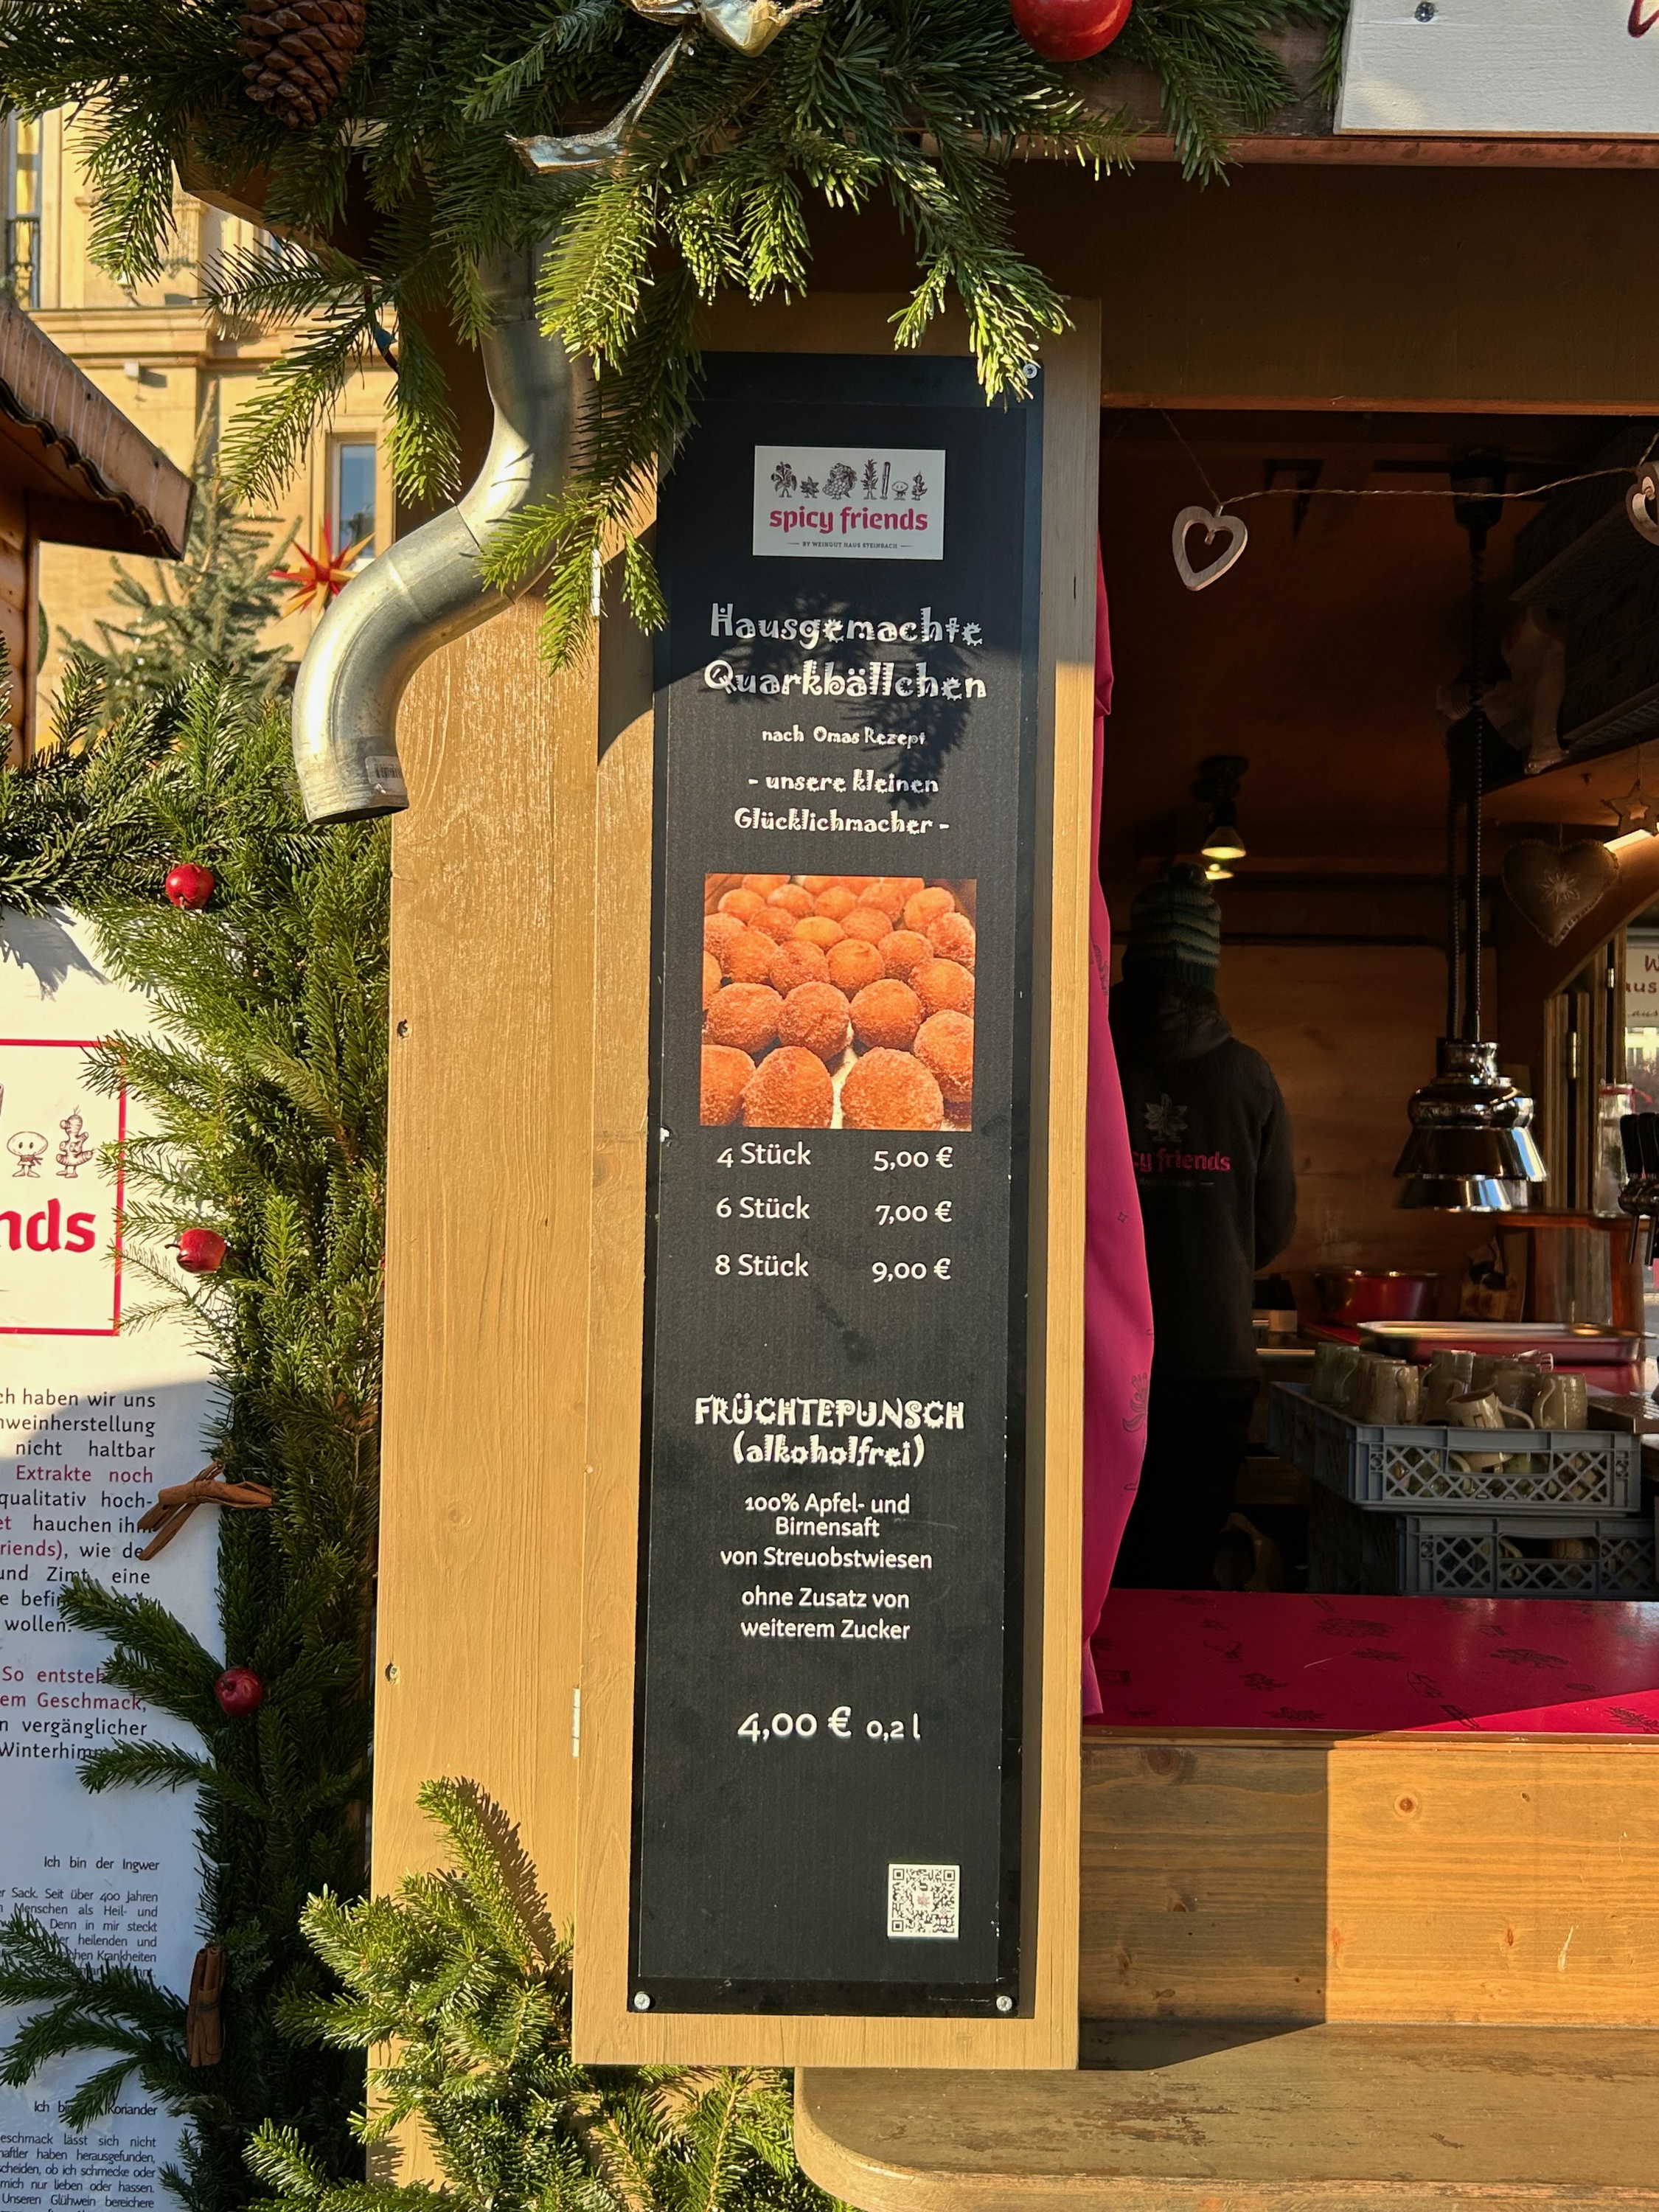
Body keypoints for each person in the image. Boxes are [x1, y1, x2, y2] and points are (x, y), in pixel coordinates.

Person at [1109, 862, 1296, 1588]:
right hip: (1211, 1363)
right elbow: (1272, 1230)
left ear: (1133, 961)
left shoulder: (1088, 1061)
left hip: (1098, 1358)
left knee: (1098, 1566)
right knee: (1182, 1567)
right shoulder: (1249, 1076)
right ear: (1206, 969)